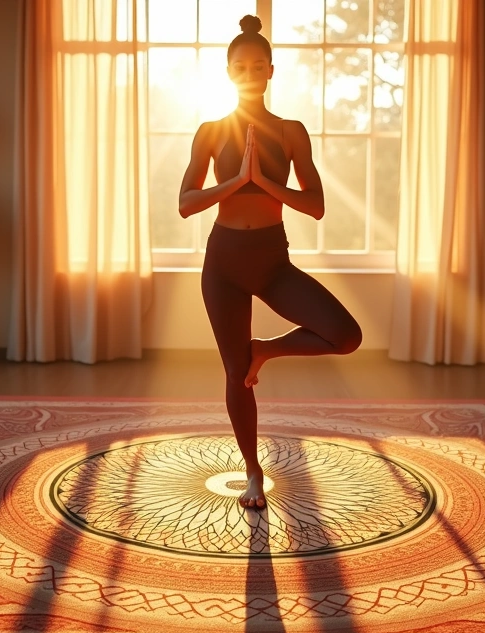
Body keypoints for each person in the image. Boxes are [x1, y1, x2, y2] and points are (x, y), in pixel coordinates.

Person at [177, 15, 363, 510]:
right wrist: (236, 182)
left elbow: (316, 205)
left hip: (272, 260)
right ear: (229, 72)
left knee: (346, 336)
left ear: (271, 71)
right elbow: (186, 201)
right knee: (236, 373)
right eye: (240, 66)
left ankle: (265, 349)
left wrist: (264, 181)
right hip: (224, 264)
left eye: (258, 65)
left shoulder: (290, 132)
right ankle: (253, 474)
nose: (250, 72)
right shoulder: (212, 131)